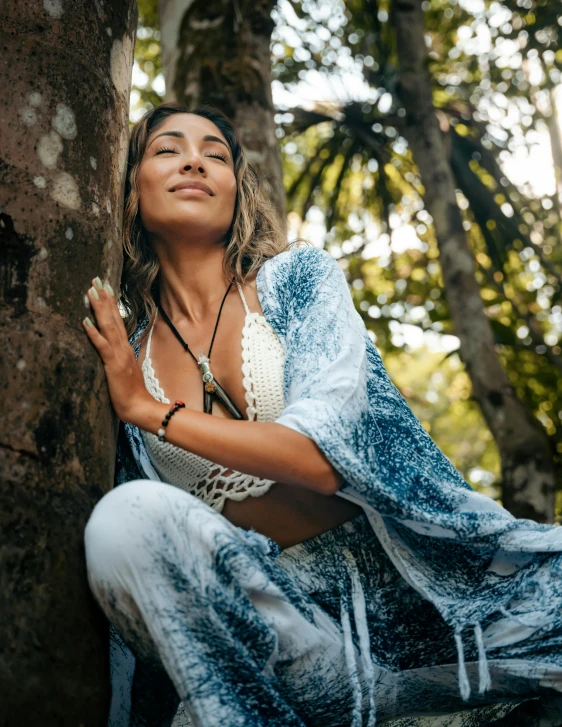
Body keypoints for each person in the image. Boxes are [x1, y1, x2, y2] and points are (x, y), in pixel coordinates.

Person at [82, 102, 562, 727]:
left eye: (216, 154)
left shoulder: (296, 281)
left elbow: (319, 456)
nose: (194, 159)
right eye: (167, 149)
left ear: (236, 190)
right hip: (296, 637)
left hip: (440, 618)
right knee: (124, 522)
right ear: (129, 186)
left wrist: (151, 411)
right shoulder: (124, 349)